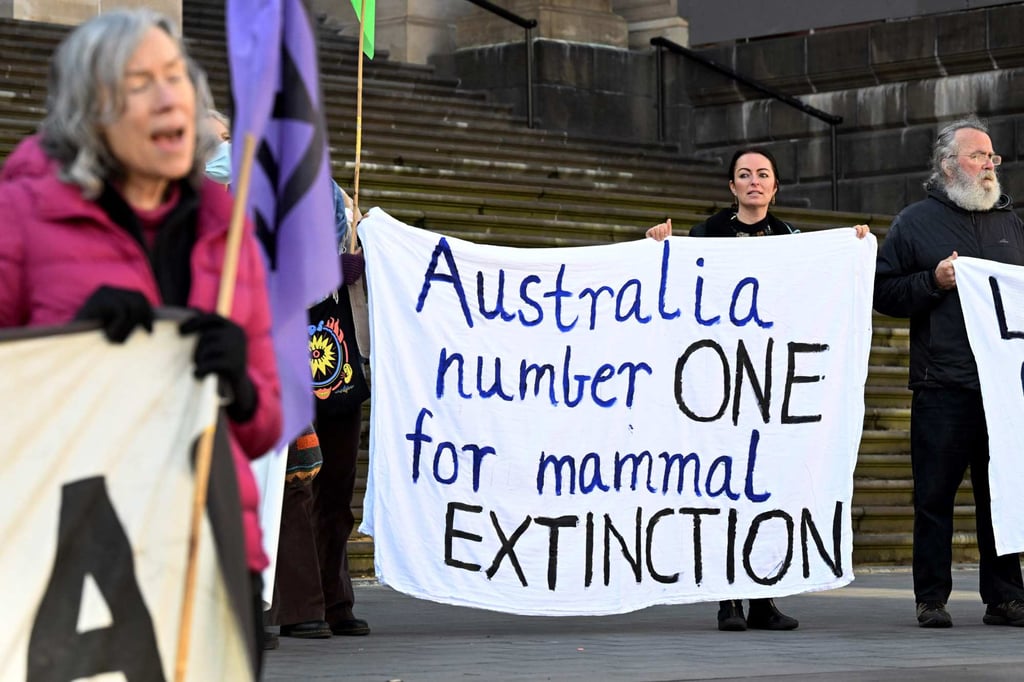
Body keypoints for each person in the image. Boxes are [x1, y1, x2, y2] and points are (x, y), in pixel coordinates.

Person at [0, 8, 282, 665]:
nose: (166, 96)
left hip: (209, 555)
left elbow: (266, 423)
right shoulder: (21, 216)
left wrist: (241, 382)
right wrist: (66, 346)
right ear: (90, 107)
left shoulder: (230, 231)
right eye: (139, 83)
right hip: (69, 561)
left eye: (176, 77)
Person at [646, 147, 869, 632]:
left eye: (762, 174)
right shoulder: (705, 234)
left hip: (770, 385)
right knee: (725, 489)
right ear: (731, 187)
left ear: (774, 187)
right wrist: (659, 244)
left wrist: (850, 249)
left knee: (771, 487)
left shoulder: (791, 237)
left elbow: (812, 287)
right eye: (744, 175)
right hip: (720, 383)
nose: (753, 181)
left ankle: (765, 597)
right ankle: (727, 600)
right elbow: (679, 286)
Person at [874, 116, 1024, 629]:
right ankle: (931, 598)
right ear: (948, 165)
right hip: (941, 384)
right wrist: (933, 281)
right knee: (934, 496)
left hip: (1001, 389)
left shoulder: (1010, 223)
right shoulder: (915, 222)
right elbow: (884, 292)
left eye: (992, 157)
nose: (989, 165)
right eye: (979, 156)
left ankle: (1005, 596)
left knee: (1000, 495)